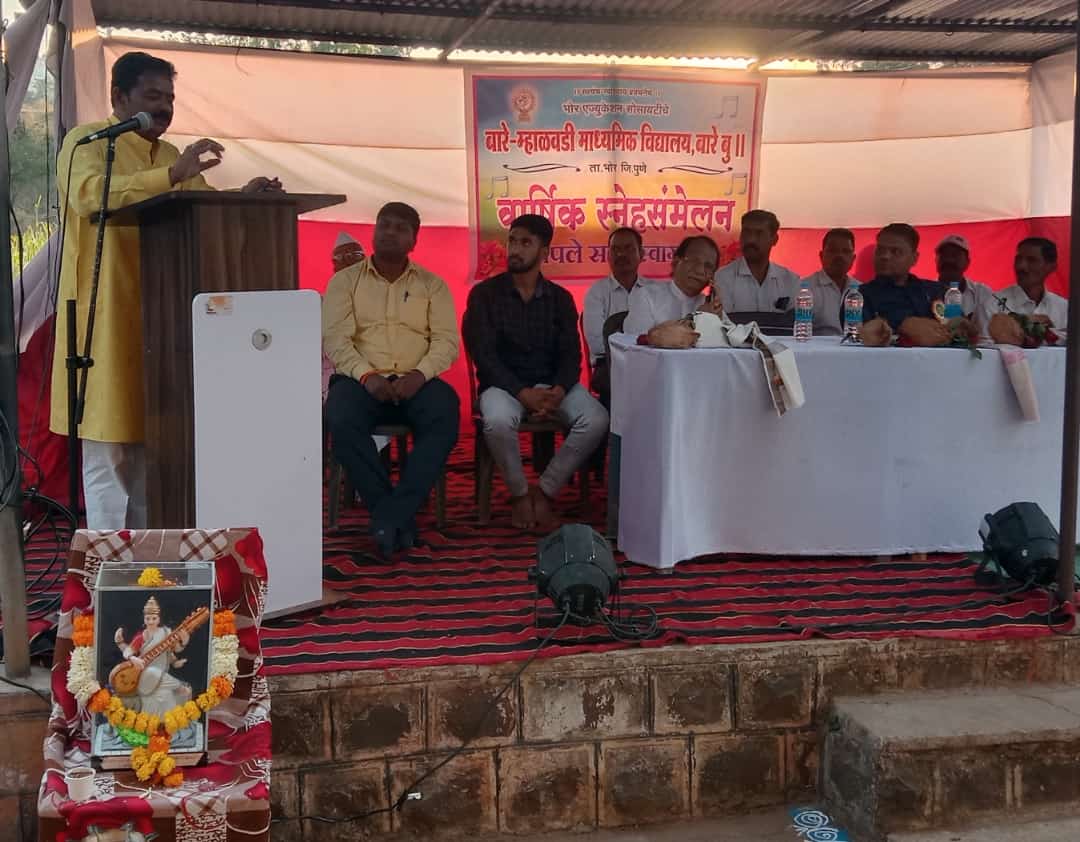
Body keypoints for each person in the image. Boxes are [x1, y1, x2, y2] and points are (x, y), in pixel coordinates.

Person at [49, 51, 282, 530]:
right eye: (153, 95)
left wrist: (244, 198)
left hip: (165, 315)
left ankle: (145, 560)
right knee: (109, 455)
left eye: (170, 98)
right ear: (119, 97)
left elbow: (200, 208)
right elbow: (90, 196)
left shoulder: (173, 156)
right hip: (104, 317)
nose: (164, 107)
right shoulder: (87, 142)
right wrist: (171, 177)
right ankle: (107, 564)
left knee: (151, 454)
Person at [323, 202, 460, 558]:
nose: (389, 232)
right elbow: (336, 339)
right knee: (339, 417)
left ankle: (389, 517)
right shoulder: (344, 282)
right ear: (374, 230)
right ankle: (396, 515)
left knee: (446, 411)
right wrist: (366, 376)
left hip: (416, 380)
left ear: (414, 240)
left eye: (400, 228)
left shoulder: (433, 285)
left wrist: (420, 375)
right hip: (361, 380)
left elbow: (446, 341)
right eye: (384, 224)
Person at [462, 214, 608, 531]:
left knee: (596, 419)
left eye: (526, 242)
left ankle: (543, 492)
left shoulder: (560, 299)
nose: (515, 249)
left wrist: (559, 390)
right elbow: (484, 356)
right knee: (498, 420)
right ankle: (519, 495)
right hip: (503, 386)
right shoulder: (485, 295)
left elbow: (571, 355)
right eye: (512, 241)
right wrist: (522, 393)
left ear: (544, 252)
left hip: (551, 386)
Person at [860, 223, 965, 348]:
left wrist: (954, 331)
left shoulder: (936, 291)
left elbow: (961, 331)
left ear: (914, 258)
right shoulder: (860, 296)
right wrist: (904, 325)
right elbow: (857, 334)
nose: (885, 256)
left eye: (896, 252)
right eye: (880, 250)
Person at [583, 227, 654, 407]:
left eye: (628, 248)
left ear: (641, 254)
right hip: (610, 365)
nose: (621, 254)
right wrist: (641, 344)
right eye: (615, 249)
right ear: (608, 255)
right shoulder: (596, 292)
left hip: (650, 362)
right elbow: (597, 344)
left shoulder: (655, 290)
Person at [625, 235, 722, 348]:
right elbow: (636, 344)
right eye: (694, 261)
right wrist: (698, 318)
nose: (700, 271)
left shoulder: (710, 306)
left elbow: (727, 349)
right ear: (676, 262)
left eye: (708, 266)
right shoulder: (646, 296)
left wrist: (714, 321)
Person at [113, 596, 192, 717]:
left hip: (162, 677)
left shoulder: (166, 633)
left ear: (159, 619)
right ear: (144, 620)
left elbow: (175, 650)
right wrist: (133, 658)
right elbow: (127, 652)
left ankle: (165, 723)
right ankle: (178, 686)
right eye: (148, 619)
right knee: (151, 671)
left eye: (154, 618)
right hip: (144, 676)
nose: (151, 622)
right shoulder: (142, 636)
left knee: (166, 697)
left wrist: (184, 642)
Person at [712, 209, 800, 313]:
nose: (751, 239)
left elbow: (795, 320)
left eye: (759, 234)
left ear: (774, 239)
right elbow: (723, 321)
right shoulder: (723, 277)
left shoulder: (790, 280)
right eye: (746, 233)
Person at [985, 238, 1068, 340]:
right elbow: (983, 346)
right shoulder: (992, 304)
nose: (1021, 266)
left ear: (1051, 267)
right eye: (1018, 259)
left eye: (1032, 260)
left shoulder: (1064, 308)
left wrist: (1050, 334)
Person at [800, 228, 857, 337]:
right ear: (821, 256)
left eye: (846, 251)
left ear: (853, 258)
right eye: (833, 251)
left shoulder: (861, 289)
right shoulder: (804, 290)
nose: (839, 256)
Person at [935, 234, 994, 336]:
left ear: (967, 262)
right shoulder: (924, 293)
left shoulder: (983, 293)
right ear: (936, 260)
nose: (949, 260)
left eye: (955, 255)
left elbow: (988, 334)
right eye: (944, 255)